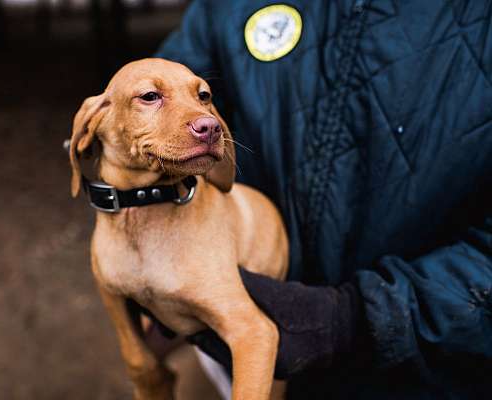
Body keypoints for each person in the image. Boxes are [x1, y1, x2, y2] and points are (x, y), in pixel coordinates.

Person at [154, 1, 492, 398]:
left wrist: (355, 321)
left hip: (434, 369)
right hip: (236, 341)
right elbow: (165, 92)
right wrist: (149, 217)